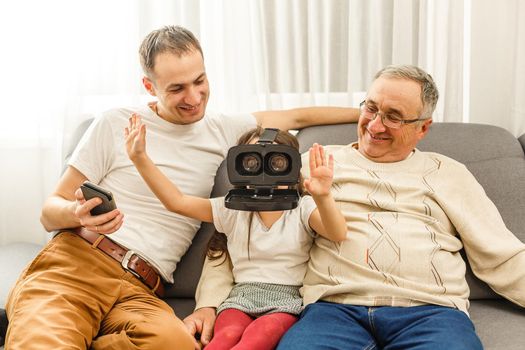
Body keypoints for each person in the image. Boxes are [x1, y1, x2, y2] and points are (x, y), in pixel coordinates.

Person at [3, 25, 359, 349]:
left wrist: (374, 115)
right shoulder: (116, 124)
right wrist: (75, 212)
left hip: (142, 289)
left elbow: (297, 118)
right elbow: (49, 212)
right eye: (177, 88)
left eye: (199, 81)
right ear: (149, 86)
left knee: (179, 345)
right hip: (79, 263)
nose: (194, 97)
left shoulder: (222, 129)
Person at [195, 64, 525, 349]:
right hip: (334, 310)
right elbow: (234, 230)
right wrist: (208, 304)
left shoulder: (447, 173)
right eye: (371, 108)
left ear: (423, 128)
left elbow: (502, 255)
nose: (375, 125)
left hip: (430, 311)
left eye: (393, 117)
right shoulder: (309, 164)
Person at [125, 117, 347, 349]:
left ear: (293, 167)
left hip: (286, 301)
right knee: (225, 337)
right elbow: (177, 202)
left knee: (256, 338)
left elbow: (337, 232)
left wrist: (322, 196)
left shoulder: (303, 208)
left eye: (277, 162)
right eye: (252, 162)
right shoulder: (232, 210)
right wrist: (139, 158)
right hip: (240, 298)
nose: (264, 173)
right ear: (240, 166)